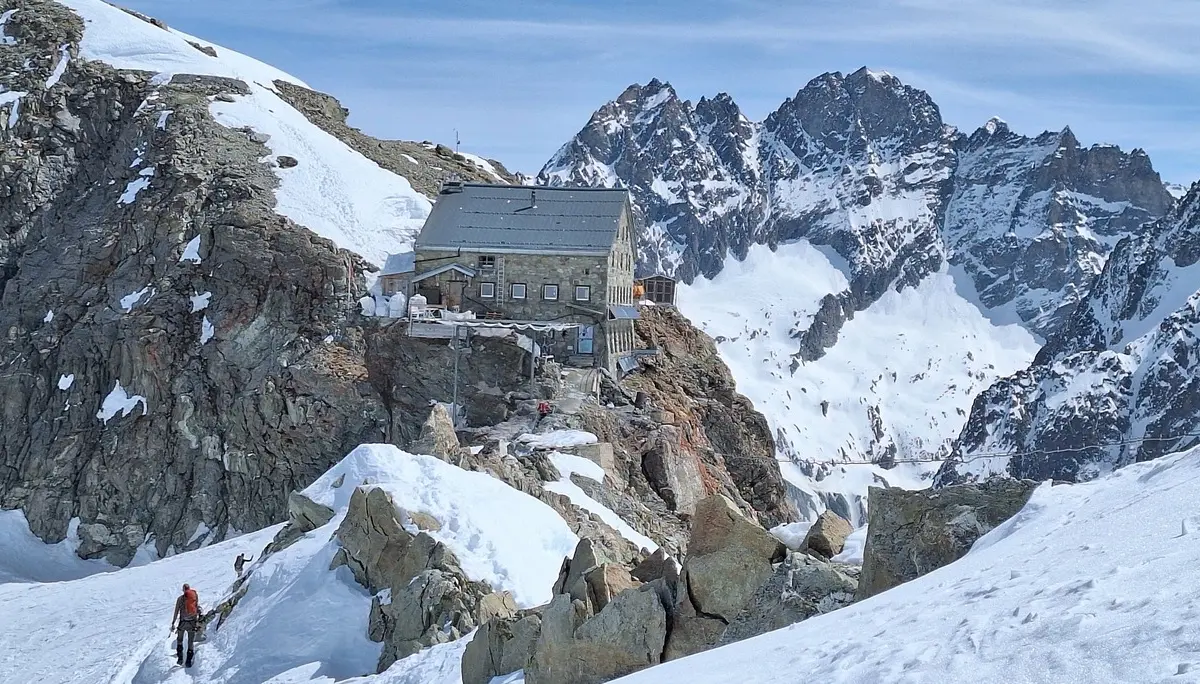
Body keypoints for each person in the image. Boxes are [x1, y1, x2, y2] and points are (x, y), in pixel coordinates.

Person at [171, 583, 201, 667]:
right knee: (190, 642)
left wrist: (173, 623)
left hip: (183, 623)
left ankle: (180, 658)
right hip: (192, 623)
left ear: (183, 590)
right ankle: (188, 661)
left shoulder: (180, 599)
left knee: (179, 640)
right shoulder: (194, 596)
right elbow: (196, 607)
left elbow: (176, 612)